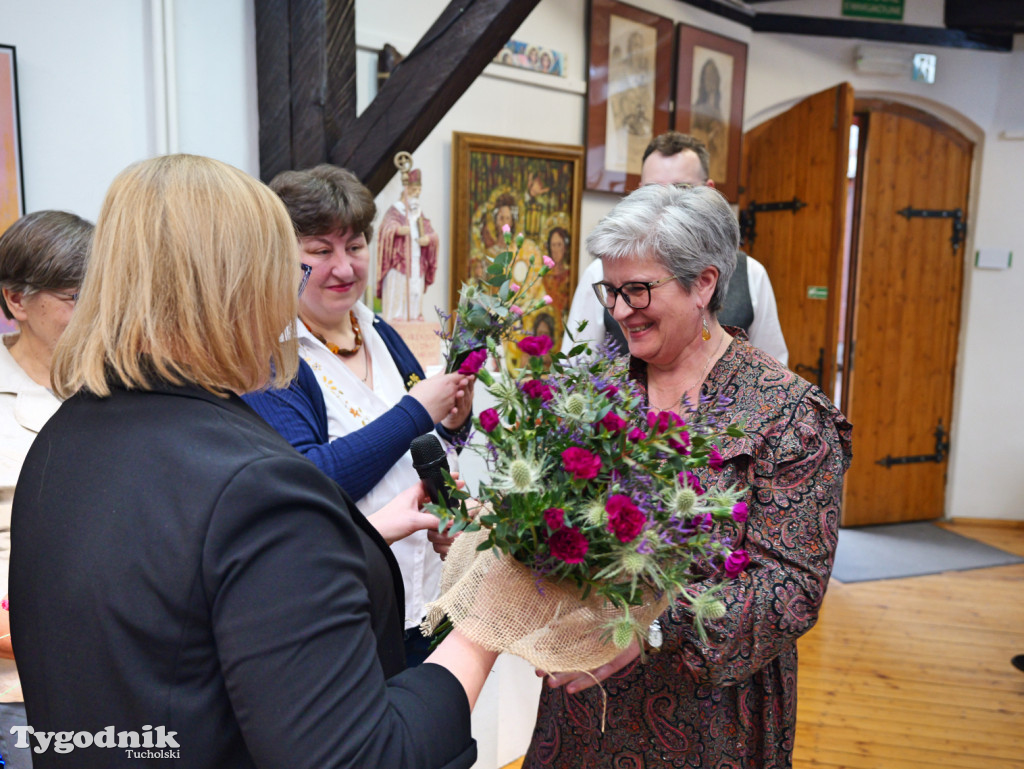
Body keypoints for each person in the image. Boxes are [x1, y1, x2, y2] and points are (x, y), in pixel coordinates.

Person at [9, 154, 496, 768]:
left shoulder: (65, 436)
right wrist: (483, 620)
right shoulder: (258, 488)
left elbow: (182, 612)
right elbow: (359, 758)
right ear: (242, 292)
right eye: (289, 277)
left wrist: (353, 536)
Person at [524, 184, 851, 769]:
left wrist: (650, 626)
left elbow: (791, 588)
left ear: (704, 284)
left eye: (638, 290)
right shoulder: (596, 392)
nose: (619, 310)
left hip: (710, 718)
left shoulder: (787, 414)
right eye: (611, 291)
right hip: (582, 704)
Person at [242, 164, 473, 667]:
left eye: (356, 247)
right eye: (321, 251)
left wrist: (453, 423)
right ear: (281, 255)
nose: (344, 269)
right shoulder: (269, 356)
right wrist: (416, 411)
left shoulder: (379, 330)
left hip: (425, 602)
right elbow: (310, 480)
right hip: (348, 617)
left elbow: (426, 446)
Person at [562, 131, 789, 366]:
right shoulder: (602, 272)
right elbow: (575, 368)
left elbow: (773, 364)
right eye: (652, 190)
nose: (666, 203)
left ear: (708, 190)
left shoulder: (751, 273)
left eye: (681, 189)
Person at [0, 210, 92, 769]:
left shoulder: (123, 384)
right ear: (15, 300)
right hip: (15, 681)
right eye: (75, 296)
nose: (96, 312)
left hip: (120, 667)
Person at [376, 167, 439, 322]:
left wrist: (428, 240)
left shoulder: (417, 211)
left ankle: (415, 314)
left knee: (415, 289)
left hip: (417, 260)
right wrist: (397, 230)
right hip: (400, 260)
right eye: (414, 189)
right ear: (407, 190)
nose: (417, 193)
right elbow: (386, 228)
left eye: (419, 189)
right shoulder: (396, 210)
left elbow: (431, 232)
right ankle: (398, 314)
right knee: (400, 288)